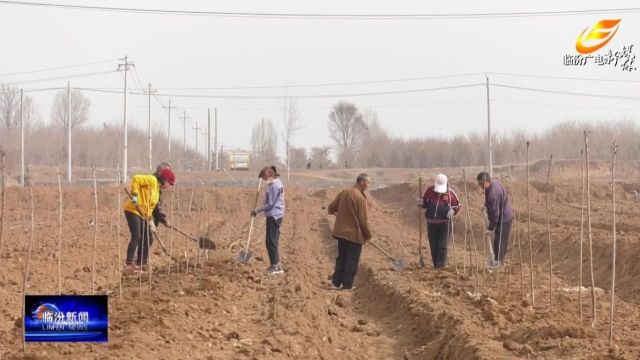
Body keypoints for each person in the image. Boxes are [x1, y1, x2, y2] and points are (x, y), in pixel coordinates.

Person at [124, 166, 176, 271]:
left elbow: (150, 208)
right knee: (137, 235)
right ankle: (128, 263)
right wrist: (135, 196)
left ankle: (141, 262)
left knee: (148, 237)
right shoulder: (152, 180)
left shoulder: (157, 192)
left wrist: (151, 221)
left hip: (142, 213)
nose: (169, 186)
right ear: (165, 180)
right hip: (133, 210)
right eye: (170, 184)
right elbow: (136, 179)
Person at [327, 173, 372, 290]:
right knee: (352, 260)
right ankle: (347, 285)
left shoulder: (344, 192)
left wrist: (336, 212)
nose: (368, 185)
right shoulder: (360, 198)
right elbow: (363, 220)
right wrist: (368, 235)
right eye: (368, 183)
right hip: (354, 235)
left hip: (341, 233)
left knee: (341, 258)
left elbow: (331, 209)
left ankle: (336, 283)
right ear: (361, 182)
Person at [418, 174, 460, 269]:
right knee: (434, 245)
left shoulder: (450, 193)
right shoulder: (429, 190)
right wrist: (420, 203)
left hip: (445, 223)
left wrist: (453, 211)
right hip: (431, 223)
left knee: (443, 245)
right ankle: (436, 265)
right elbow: (424, 203)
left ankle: (441, 266)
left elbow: (457, 205)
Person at [251, 166, 285, 275]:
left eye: (264, 178)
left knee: (270, 241)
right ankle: (277, 264)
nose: (264, 181)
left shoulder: (274, 186)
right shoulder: (274, 183)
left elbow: (270, 204)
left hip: (274, 216)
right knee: (272, 241)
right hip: (276, 215)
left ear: (270, 176)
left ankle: (275, 266)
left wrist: (257, 210)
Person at [477, 171, 514, 269]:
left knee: (499, 242)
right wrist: (486, 205)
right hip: (506, 215)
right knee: (500, 241)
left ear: (487, 181)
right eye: (479, 184)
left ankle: (498, 265)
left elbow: (495, 214)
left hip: (504, 218)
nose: (480, 186)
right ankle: (499, 262)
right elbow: (491, 203)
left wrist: (490, 227)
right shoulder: (495, 184)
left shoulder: (492, 193)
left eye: (481, 184)